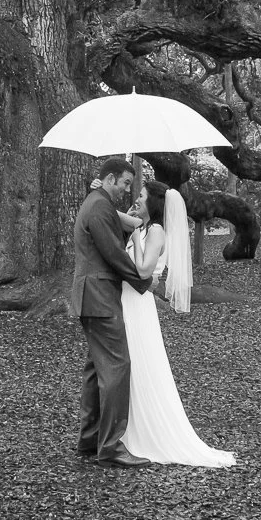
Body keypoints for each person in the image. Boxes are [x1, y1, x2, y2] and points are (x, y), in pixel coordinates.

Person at [119, 180, 237, 468]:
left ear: (155, 204)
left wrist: (134, 241)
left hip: (137, 303)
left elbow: (145, 270)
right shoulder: (143, 227)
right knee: (130, 365)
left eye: (142, 196)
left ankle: (143, 432)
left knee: (139, 364)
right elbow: (113, 216)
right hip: (128, 300)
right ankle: (126, 426)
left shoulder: (156, 231)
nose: (137, 199)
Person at [70, 157, 155, 467]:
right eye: (124, 184)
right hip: (99, 298)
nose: (126, 191)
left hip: (91, 297)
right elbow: (113, 254)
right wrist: (143, 281)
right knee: (117, 367)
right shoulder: (99, 206)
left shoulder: (96, 203)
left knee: (95, 371)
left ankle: (89, 441)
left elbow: (109, 243)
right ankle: (111, 447)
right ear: (109, 180)